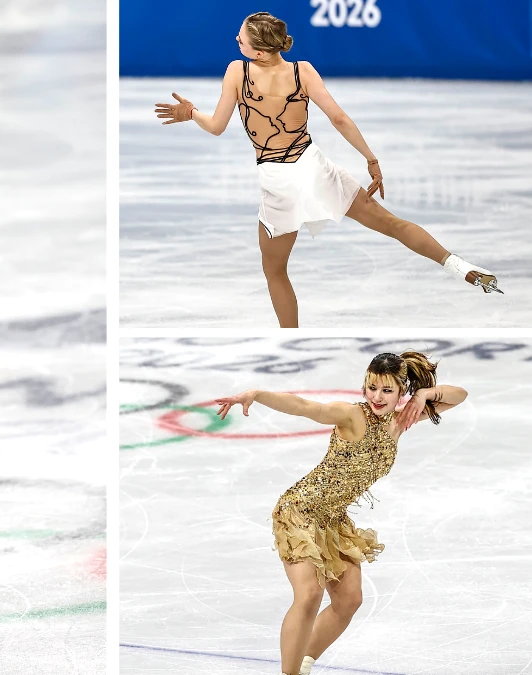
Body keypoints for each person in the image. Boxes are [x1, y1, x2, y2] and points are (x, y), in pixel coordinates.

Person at [154, 11, 502, 328]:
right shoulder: (302, 70)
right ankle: (459, 266)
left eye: (241, 38)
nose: (236, 41)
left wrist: (191, 113)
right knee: (392, 224)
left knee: (275, 271)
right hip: (313, 167)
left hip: (277, 180)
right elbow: (338, 118)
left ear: (258, 52)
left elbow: (216, 126)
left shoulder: (237, 71)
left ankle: (290, 339)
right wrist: (371, 158)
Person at [215, 351, 468, 675]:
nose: (377, 397)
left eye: (387, 390)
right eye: (372, 387)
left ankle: (302, 662)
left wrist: (425, 395)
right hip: (300, 511)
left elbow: (459, 396)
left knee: (349, 601)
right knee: (308, 594)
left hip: (332, 520)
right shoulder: (352, 415)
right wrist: (257, 395)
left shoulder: (400, 421)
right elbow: (306, 407)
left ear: (400, 392)